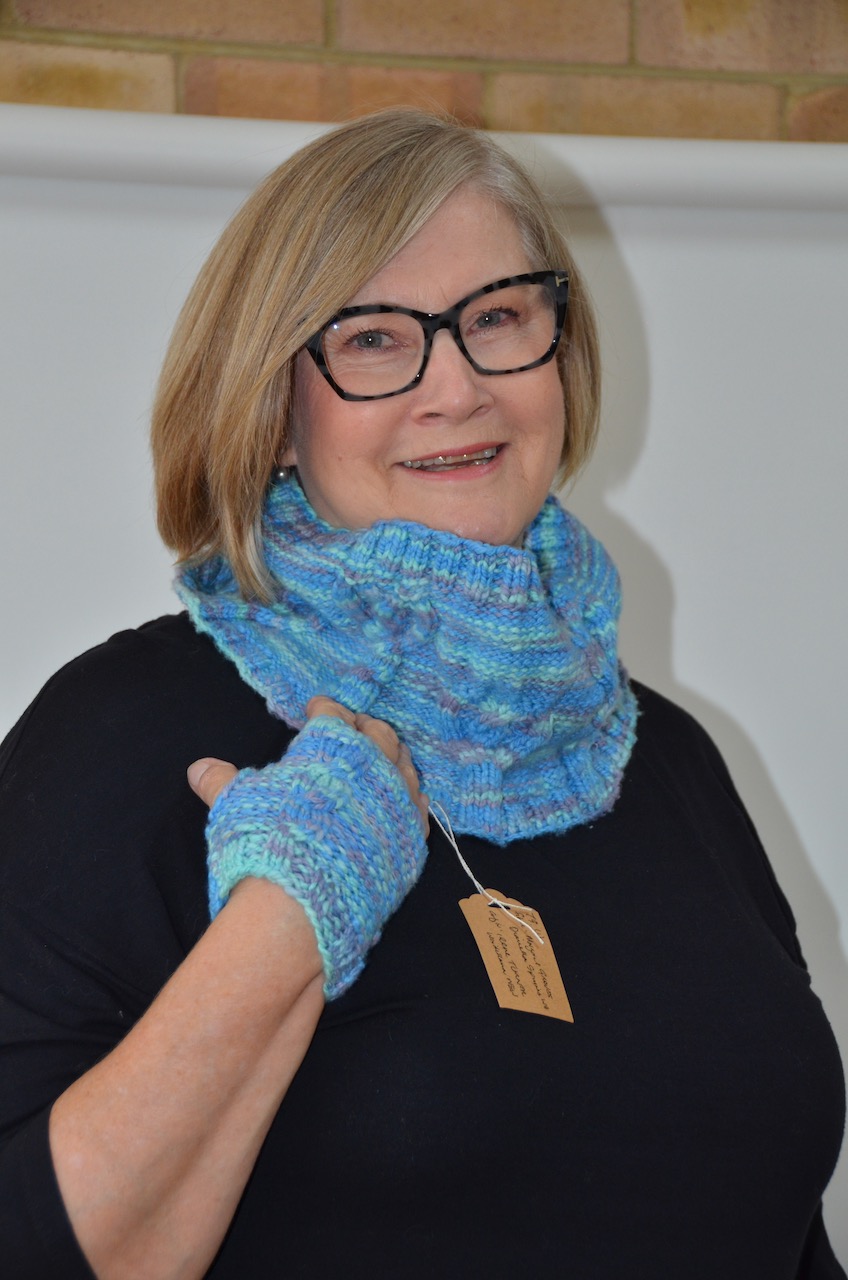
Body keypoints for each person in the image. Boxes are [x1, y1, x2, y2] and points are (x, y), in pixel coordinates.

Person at [0, 108, 844, 1280]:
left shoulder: (668, 761)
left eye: (496, 318)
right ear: (274, 411)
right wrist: (280, 929)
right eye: (373, 339)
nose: (456, 387)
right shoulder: (124, 732)